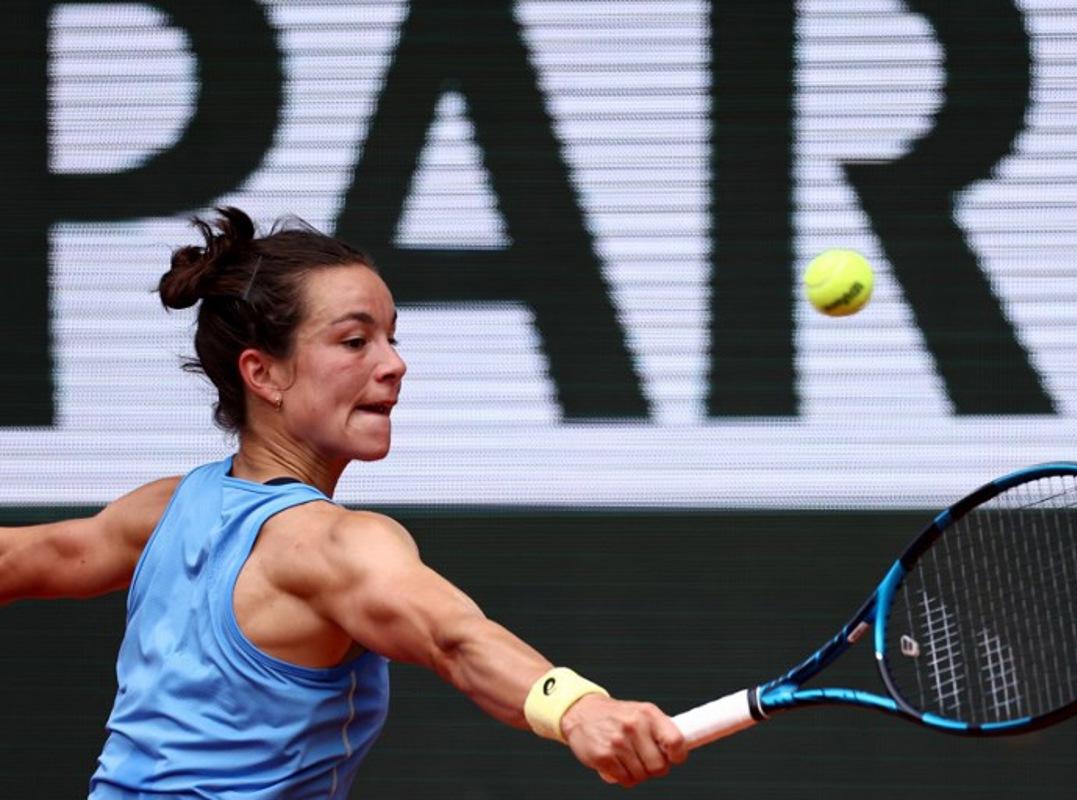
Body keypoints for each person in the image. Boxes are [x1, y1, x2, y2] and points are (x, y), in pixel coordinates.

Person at [0, 207, 687, 798]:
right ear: (263, 372)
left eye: (391, 337)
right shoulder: (336, 544)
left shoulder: (160, 512)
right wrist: (576, 708)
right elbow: (454, 639)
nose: (393, 364)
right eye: (355, 341)